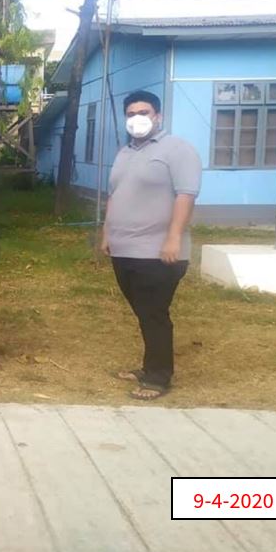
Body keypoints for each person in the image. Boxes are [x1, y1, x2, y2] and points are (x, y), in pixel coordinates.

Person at [101, 90, 202, 400]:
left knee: (154, 313)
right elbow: (115, 194)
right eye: (131, 114)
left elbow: (186, 195)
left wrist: (173, 237)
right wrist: (107, 232)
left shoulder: (178, 149)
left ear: (158, 116)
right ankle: (149, 366)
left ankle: (158, 377)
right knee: (144, 312)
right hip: (124, 249)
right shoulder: (125, 152)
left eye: (143, 113)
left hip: (158, 252)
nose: (137, 119)